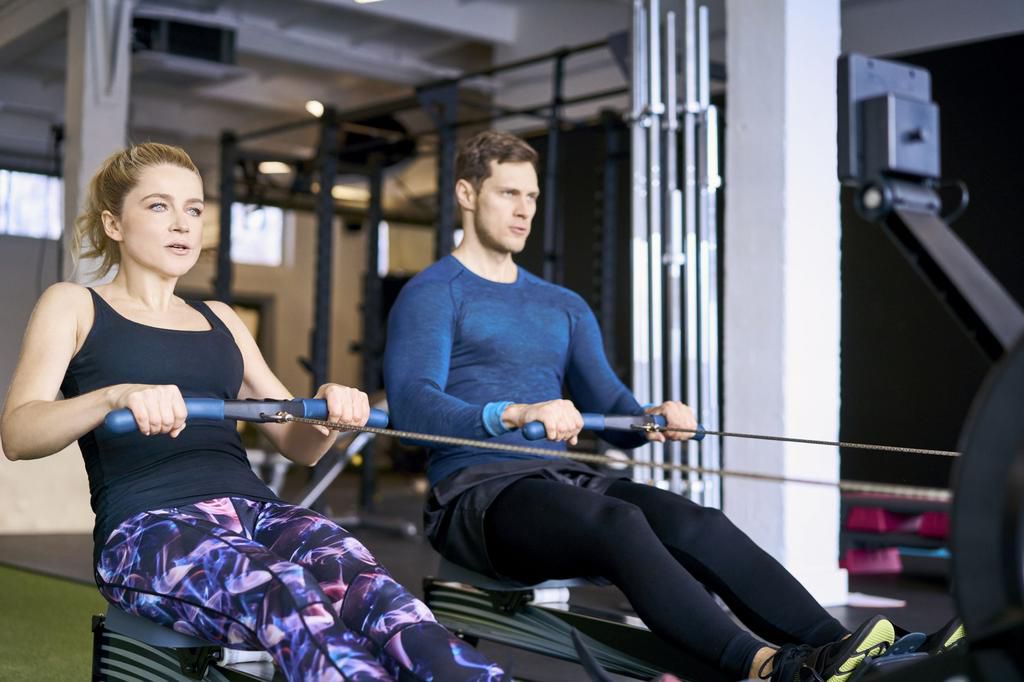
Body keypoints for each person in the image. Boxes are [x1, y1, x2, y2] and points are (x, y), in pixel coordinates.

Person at [383, 130, 963, 682]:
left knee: (698, 523)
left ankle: (848, 653)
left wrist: (650, 417)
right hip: (477, 495)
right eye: (509, 193)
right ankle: (764, 667)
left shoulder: (562, 304)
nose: (524, 210)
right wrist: (511, 412)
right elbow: (412, 410)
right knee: (619, 522)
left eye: (532, 196)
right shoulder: (433, 293)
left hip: (560, 477)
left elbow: (612, 407)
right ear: (467, 193)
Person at [0, 142, 506, 682]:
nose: (182, 223)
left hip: (258, 512)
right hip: (147, 527)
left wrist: (331, 414)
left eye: (194, 208)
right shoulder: (74, 304)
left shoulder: (221, 318)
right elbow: (18, 433)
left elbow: (298, 444)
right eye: (158, 206)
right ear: (114, 224)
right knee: (282, 590)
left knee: (372, 591)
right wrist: (113, 396)